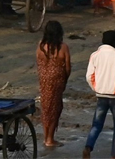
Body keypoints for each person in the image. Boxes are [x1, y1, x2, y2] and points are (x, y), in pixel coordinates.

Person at [83, 30, 115, 159]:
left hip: (101, 95)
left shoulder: (95, 55)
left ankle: (88, 146)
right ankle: (114, 155)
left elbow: (89, 76)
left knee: (97, 125)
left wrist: (96, 88)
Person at [37, 19, 72, 150]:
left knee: (46, 108)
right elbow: (68, 67)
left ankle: (46, 136)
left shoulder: (40, 46)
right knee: (55, 109)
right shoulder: (63, 47)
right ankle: (50, 139)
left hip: (44, 81)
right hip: (57, 82)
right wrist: (64, 80)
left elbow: (39, 63)